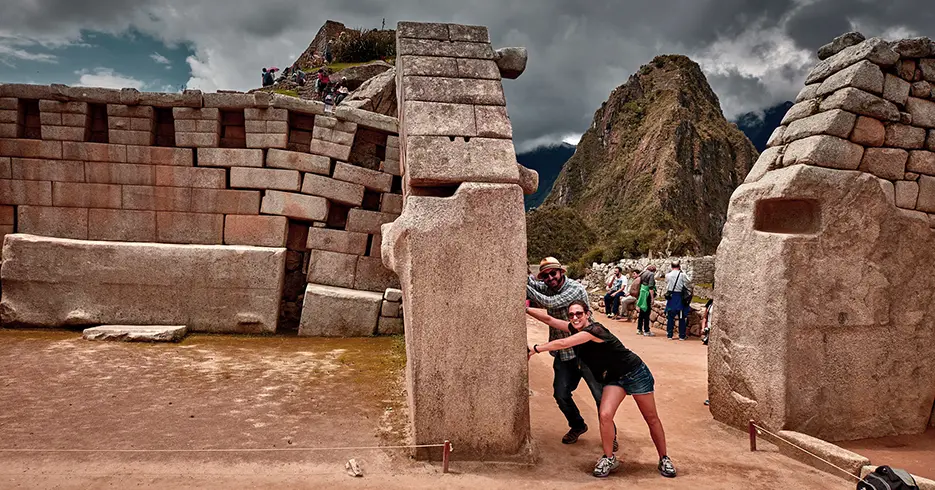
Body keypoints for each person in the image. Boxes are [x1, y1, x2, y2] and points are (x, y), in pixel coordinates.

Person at [527, 300, 677, 479]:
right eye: (571, 315)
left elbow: (563, 343)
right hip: (614, 378)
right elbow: (550, 320)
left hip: (635, 373)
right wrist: (525, 309)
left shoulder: (594, 331)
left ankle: (664, 458)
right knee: (605, 415)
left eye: (579, 314)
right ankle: (609, 458)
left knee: (651, 418)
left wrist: (535, 349)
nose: (575, 318)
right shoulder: (576, 328)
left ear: (588, 314)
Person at [527, 257, 616, 450]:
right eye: (546, 275)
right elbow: (534, 286)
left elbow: (546, 301)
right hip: (564, 354)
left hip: (589, 354)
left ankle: (611, 435)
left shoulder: (574, 289)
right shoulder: (549, 286)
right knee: (561, 394)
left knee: (600, 397)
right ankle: (577, 425)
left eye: (553, 273)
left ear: (561, 272)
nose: (550, 278)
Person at [664, 261, 692, 340]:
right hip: (679, 296)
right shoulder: (682, 275)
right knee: (681, 317)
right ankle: (681, 335)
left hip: (671, 296)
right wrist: (683, 271)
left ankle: (670, 334)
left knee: (670, 316)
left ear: (671, 266)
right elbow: (688, 281)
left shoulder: (668, 275)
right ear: (679, 266)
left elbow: (667, 283)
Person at [636, 265, 657, 336]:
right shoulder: (651, 274)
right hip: (646, 294)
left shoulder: (643, 273)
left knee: (642, 312)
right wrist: (652, 298)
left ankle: (639, 329)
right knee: (647, 313)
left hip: (642, 293)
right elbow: (651, 287)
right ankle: (646, 330)